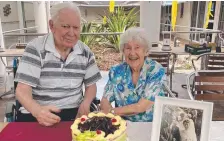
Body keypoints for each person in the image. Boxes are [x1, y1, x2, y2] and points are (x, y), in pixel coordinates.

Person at [14, 2, 101, 126]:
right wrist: (37, 111)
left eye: (76, 28)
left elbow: (91, 86)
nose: (71, 33)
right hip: (38, 112)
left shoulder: (85, 52)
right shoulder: (36, 49)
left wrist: (86, 103)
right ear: (52, 25)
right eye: (66, 26)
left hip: (73, 113)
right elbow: (22, 90)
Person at [100, 27, 166, 122]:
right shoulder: (116, 71)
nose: (132, 53)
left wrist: (112, 112)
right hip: (122, 126)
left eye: (137, 47)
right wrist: (109, 115)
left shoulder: (155, 70)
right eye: (128, 48)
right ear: (123, 51)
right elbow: (105, 100)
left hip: (150, 125)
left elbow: (140, 107)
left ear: (145, 51)